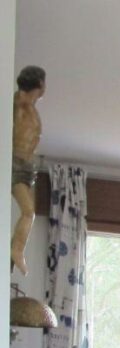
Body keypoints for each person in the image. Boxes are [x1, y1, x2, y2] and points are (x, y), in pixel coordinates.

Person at [11, 65, 46, 276]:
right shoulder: (18, 103)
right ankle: (17, 249)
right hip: (15, 164)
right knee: (28, 211)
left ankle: (16, 249)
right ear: (40, 84)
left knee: (29, 212)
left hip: (25, 167)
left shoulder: (30, 107)